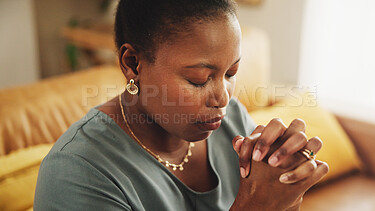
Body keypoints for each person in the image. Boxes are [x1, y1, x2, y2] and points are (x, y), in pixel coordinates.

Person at [34, 0, 329, 210]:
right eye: (199, 79)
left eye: (230, 73)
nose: (223, 98)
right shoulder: (78, 172)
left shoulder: (233, 120)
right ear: (132, 63)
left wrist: (285, 188)